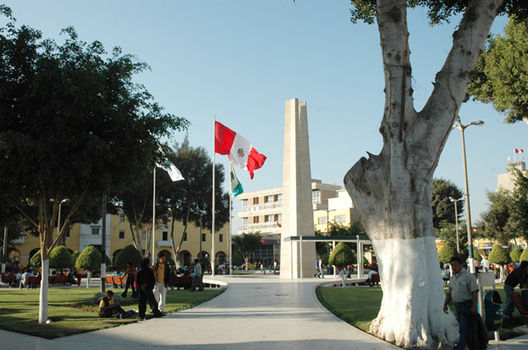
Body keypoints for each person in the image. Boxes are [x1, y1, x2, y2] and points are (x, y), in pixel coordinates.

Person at [443, 255, 479, 350]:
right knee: (462, 328)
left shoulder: (469, 277)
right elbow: (449, 292)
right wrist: (445, 304)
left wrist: (474, 307)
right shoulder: (453, 278)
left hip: (467, 305)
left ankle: (460, 347)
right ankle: (465, 345)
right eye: (452, 265)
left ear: (462, 265)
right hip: (457, 306)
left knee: (463, 328)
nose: (453, 267)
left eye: (455, 265)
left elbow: (474, 292)